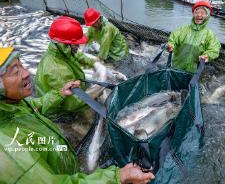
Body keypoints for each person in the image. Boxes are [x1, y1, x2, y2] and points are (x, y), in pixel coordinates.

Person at [0, 47, 155, 183]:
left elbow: (33, 106)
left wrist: (59, 94)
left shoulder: (13, 104)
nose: (26, 73)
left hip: (64, 165)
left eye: (21, 65)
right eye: (16, 71)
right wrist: (117, 177)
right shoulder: (8, 150)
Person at [35, 16, 96, 117]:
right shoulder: (58, 70)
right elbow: (72, 104)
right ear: (64, 45)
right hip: (60, 113)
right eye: (75, 44)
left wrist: (93, 63)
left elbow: (76, 55)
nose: (78, 47)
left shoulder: (57, 51)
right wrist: (95, 92)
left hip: (60, 97)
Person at [167, 0, 221, 73]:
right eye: (197, 12)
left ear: (207, 16)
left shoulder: (209, 34)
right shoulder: (183, 29)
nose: (199, 15)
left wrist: (207, 56)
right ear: (193, 14)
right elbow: (173, 39)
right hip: (177, 66)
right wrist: (171, 45)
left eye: (202, 13)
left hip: (194, 71)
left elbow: (214, 49)